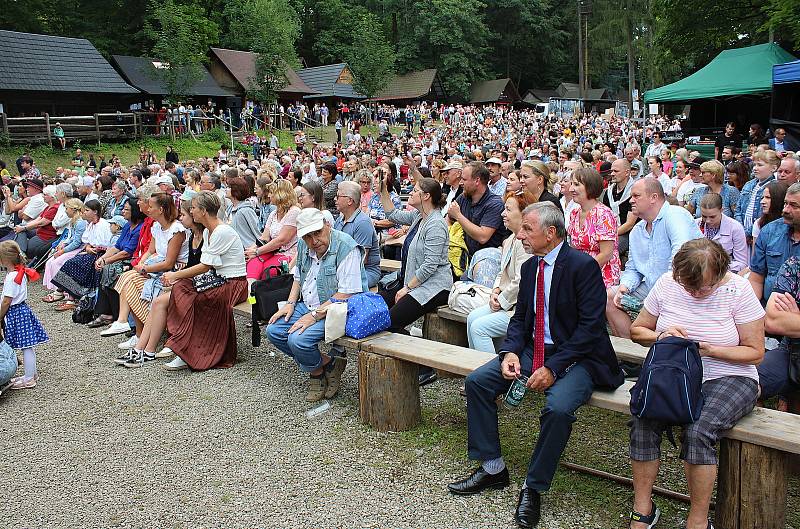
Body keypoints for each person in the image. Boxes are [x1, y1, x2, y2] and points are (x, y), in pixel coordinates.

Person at [448, 203, 624, 529]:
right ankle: (493, 468)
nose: (520, 234)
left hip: (580, 357)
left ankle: (534, 486)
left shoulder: (582, 266)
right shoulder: (531, 268)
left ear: (551, 233)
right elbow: (519, 321)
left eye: (527, 229)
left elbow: (589, 330)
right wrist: (511, 352)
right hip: (535, 350)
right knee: (478, 382)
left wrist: (553, 368)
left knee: (557, 409)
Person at [628, 239, 764, 529]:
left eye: (701, 288)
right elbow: (637, 330)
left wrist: (710, 349)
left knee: (699, 430)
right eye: (687, 286)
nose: (693, 293)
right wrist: (662, 336)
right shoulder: (667, 283)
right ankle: (643, 508)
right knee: (642, 419)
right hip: (676, 376)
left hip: (729, 375)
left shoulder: (738, 290)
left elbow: (756, 352)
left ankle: (699, 520)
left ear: (719, 275)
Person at [266, 208, 367, 402]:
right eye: (307, 236)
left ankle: (316, 375)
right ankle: (327, 365)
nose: (313, 241)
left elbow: (348, 292)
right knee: (274, 331)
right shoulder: (305, 246)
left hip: (338, 310)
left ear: (327, 225)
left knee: (298, 340)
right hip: (310, 303)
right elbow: (298, 277)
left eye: (318, 233)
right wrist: (289, 303)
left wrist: (313, 316)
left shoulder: (346, 247)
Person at [157, 191, 248, 371]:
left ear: (204, 211)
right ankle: (182, 345)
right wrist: (178, 278)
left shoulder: (222, 231)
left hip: (234, 283)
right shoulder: (208, 231)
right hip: (218, 279)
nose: (191, 212)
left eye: (194, 208)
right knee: (182, 288)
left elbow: (205, 266)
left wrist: (174, 275)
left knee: (197, 299)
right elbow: (206, 267)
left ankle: (189, 350)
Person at [378, 177, 453, 385]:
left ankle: (425, 366)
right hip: (414, 282)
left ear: (426, 196)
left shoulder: (436, 224)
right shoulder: (419, 216)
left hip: (434, 287)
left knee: (390, 322)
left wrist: (407, 288)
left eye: (415, 190)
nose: (410, 192)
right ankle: (411, 341)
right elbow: (392, 214)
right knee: (378, 306)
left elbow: (430, 265)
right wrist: (383, 190)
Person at [606, 178, 702, 338]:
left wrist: (659, 293)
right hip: (652, 288)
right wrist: (625, 287)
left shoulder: (675, 215)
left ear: (654, 198)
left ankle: (657, 350)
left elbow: (681, 258)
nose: (631, 200)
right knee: (611, 296)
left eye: (636, 196)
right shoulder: (637, 230)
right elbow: (633, 268)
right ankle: (632, 351)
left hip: (683, 290)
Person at [115, 198, 200, 365]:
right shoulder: (159, 227)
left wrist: (146, 269)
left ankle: (145, 345)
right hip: (172, 272)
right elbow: (151, 251)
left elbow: (173, 263)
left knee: (155, 298)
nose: (146, 208)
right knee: (129, 278)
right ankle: (139, 342)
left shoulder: (180, 231)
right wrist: (141, 265)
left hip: (176, 273)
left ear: (161, 209)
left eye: (150, 206)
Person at [466, 191, 535, 354]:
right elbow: (501, 272)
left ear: (524, 213)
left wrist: (501, 301)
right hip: (507, 301)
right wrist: (495, 291)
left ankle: (489, 374)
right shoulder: (510, 239)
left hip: (520, 308)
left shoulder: (524, 243)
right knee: (472, 317)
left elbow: (521, 281)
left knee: (478, 328)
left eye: (509, 210)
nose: (503, 214)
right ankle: (476, 367)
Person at [0, 241, 49, 390]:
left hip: (16, 312)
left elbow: (7, 300)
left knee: (26, 346)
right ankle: (31, 374)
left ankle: (29, 378)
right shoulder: (18, 272)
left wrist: (0, 316)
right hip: (22, 310)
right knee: (28, 346)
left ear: (3, 260)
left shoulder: (11, 277)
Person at [49, 200, 113, 311]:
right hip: (91, 251)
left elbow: (107, 244)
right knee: (72, 262)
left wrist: (92, 249)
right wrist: (88, 248)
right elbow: (87, 241)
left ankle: (70, 297)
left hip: (100, 254)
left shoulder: (103, 225)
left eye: (87, 210)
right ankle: (66, 294)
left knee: (75, 263)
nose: (84, 212)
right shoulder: (91, 224)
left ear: (95, 212)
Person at [568, 168, 621, 288]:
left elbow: (606, 254)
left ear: (590, 187)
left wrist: (582, 273)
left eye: (576, 184)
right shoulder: (574, 213)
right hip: (579, 272)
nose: (571, 189)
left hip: (600, 273)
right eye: (571, 184)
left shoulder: (603, 214)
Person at [749, 182, 800, 303]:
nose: (786, 210)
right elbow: (756, 278)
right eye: (785, 203)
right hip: (767, 309)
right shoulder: (769, 232)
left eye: (794, 205)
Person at [448, 162, 508, 256]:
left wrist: (458, 216)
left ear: (477, 181)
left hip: (485, 260)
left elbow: (483, 237)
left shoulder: (495, 204)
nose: (460, 183)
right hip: (462, 256)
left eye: (464, 179)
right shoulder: (463, 197)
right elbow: (449, 218)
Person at [245, 179, 299, 280]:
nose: (269, 196)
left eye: (271, 192)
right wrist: (251, 250)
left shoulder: (294, 212)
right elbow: (264, 238)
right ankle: (250, 290)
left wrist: (257, 251)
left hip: (288, 253)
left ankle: (256, 290)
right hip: (273, 251)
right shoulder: (274, 213)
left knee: (268, 269)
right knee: (252, 261)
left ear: (280, 194)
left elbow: (281, 240)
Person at [334, 181, 381, 287]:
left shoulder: (362, 222)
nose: (335, 199)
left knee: (337, 285)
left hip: (364, 272)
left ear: (350, 201)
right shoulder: (339, 220)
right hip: (343, 269)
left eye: (338, 196)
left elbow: (362, 260)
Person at [41, 199, 87, 301]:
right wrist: (64, 243)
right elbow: (72, 238)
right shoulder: (74, 221)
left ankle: (64, 290)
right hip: (74, 246)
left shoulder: (80, 223)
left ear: (73, 209)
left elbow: (77, 242)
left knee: (57, 262)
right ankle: (56, 288)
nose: (65, 211)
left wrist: (63, 251)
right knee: (50, 261)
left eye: (67, 208)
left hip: (80, 248)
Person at [696, 193, 749, 273]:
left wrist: (716, 267)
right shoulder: (695, 224)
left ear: (721, 210)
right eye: (704, 216)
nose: (708, 220)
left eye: (712, 217)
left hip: (725, 274)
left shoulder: (735, 228)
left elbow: (741, 262)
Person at [735, 150, 778, 241]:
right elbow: (738, 209)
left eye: (760, 165)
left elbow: (767, 216)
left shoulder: (774, 187)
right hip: (742, 233)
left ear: (773, 168)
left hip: (760, 234)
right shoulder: (748, 184)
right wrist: (741, 230)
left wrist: (749, 233)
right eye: (754, 165)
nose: (755, 168)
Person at [13, 184, 60, 259]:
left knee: (28, 248)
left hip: (46, 236)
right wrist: (23, 227)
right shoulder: (48, 207)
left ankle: (21, 253)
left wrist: (24, 228)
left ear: (52, 197)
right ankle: (21, 252)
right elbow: (38, 219)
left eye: (45, 195)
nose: (43, 196)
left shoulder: (54, 208)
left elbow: (41, 223)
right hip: (40, 232)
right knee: (21, 226)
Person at [602, 159, 637, 255]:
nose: (612, 174)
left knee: (609, 250)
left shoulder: (635, 192)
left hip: (629, 233)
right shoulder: (609, 192)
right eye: (611, 171)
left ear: (627, 172)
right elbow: (605, 216)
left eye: (616, 171)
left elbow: (629, 224)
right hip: (611, 231)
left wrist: (608, 235)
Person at [227, 177, 262, 249]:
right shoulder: (230, 208)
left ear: (235, 191)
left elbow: (257, 230)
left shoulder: (246, 210)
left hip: (247, 251)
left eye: (229, 187)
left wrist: (256, 248)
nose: (226, 189)